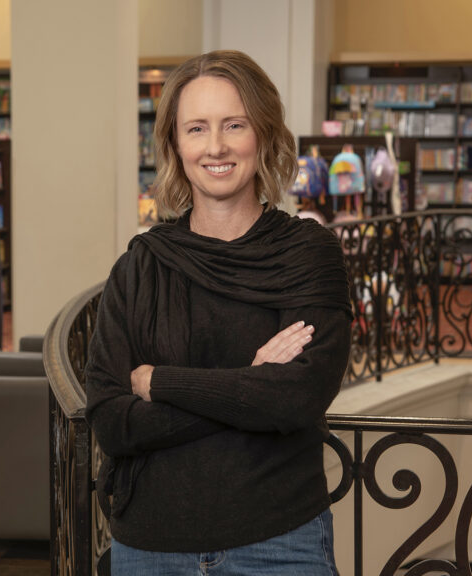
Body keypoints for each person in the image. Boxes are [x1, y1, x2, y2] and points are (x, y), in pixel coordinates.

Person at [84, 50, 353, 575]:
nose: (216, 147)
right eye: (196, 129)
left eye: (234, 124)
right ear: (174, 145)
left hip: (279, 543)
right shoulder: (140, 266)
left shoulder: (308, 253)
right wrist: (250, 381)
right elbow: (113, 423)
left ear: (264, 134)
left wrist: (162, 382)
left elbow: (296, 398)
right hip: (150, 547)